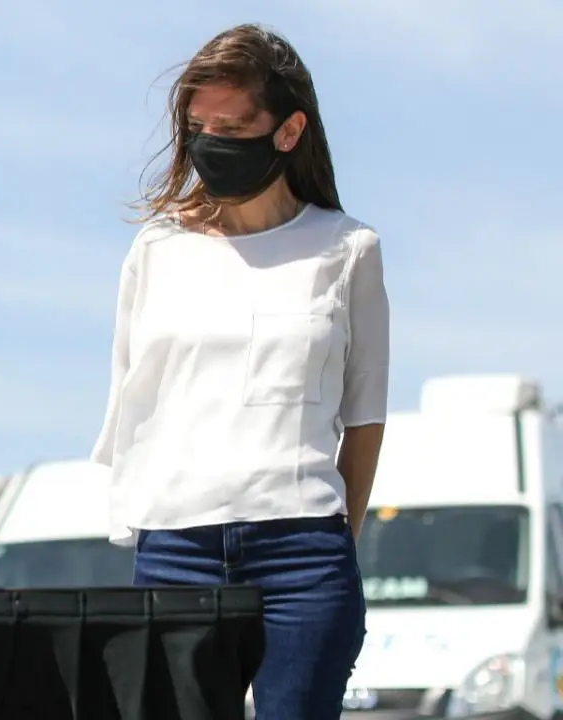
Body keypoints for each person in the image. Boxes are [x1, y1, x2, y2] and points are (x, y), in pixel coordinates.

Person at [91, 24, 388, 719]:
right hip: (174, 550)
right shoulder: (157, 250)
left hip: (302, 552)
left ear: (289, 131)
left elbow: (365, 416)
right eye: (198, 128)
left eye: (231, 127)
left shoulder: (348, 250)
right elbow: (132, 398)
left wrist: (336, 545)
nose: (209, 144)